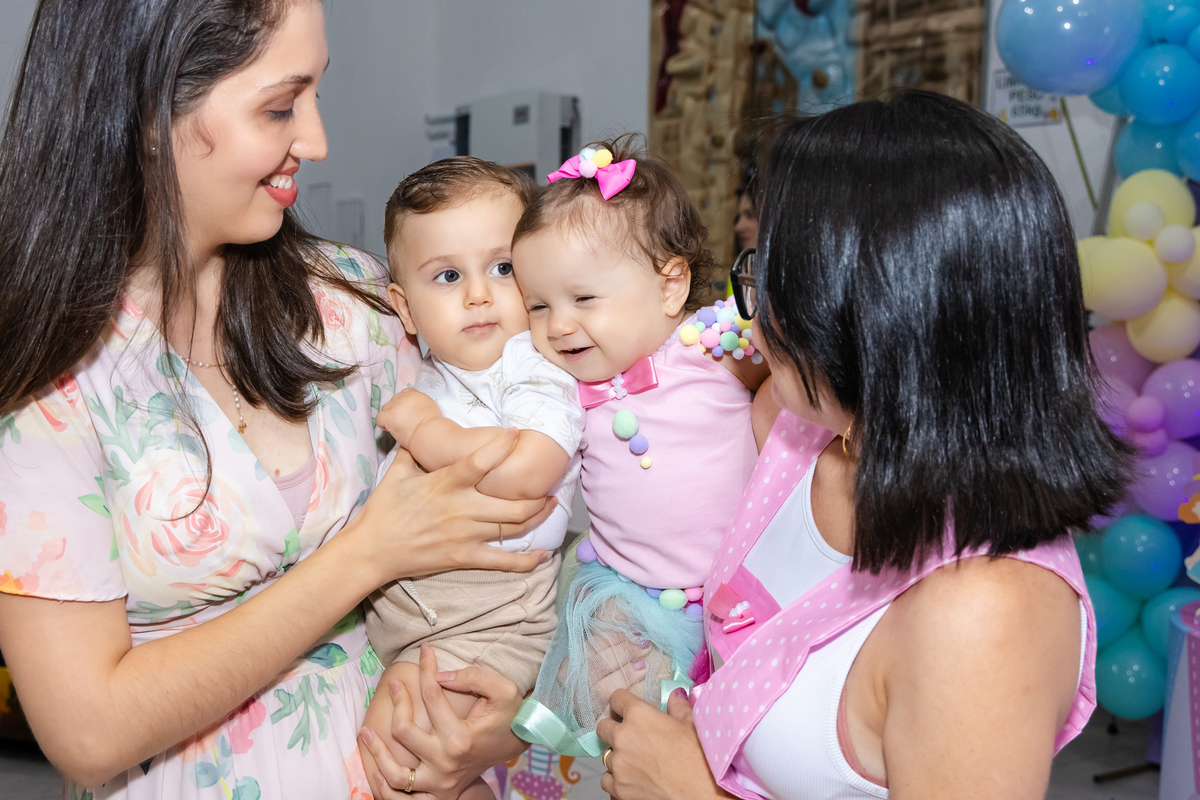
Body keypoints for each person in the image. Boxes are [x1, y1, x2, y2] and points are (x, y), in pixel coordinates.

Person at [0, 2, 554, 798]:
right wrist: (365, 554)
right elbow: (88, 733)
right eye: (280, 106)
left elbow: (518, 547)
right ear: (150, 112)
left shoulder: (361, 303)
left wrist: (503, 722)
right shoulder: (49, 380)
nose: (318, 140)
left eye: (317, 94)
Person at [589, 91, 1132, 800]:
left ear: (876, 308)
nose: (755, 310)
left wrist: (691, 790)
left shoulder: (987, 610)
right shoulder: (796, 430)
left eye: (776, 275)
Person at [502, 137, 769, 759]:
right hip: (628, 599)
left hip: (736, 597)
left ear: (671, 287)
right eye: (538, 305)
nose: (558, 325)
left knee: (737, 743)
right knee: (629, 734)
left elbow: (796, 370)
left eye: (583, 298)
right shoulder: (558, 387)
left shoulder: (710, 347)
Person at [361, 157, 585, 799]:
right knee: (424, 771)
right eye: (449, 276)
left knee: (401, 756)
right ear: (404, 308)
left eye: (503, 268)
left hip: (491, 614)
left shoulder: (532, 366)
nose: (479, 294)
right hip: (423, 612)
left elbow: (527, 472)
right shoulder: (438, 370)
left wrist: (425, 431)